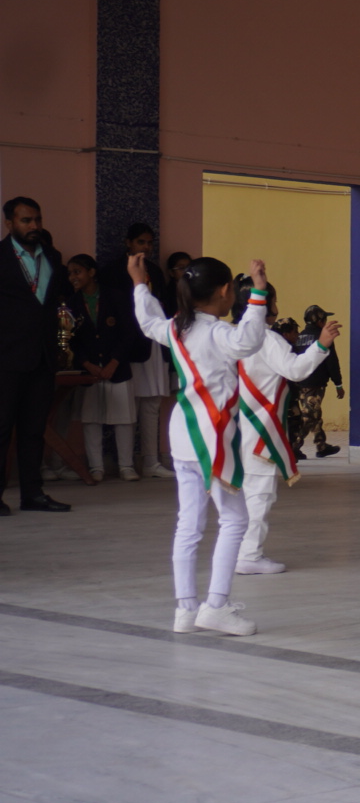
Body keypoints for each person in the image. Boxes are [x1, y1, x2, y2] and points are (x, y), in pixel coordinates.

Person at [130, 253, 270, 636]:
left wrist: (140, 285)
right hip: (213, 437)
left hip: (182, 433)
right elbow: (248, 340)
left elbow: (148, 322)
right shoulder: (216, 333)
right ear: (225, 291)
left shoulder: (176, 328)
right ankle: (217, 606)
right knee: (235, 519)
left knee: (188, 524)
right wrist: (259, 293)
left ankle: (185, 609)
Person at [230, 278, 342, 575]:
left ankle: (234, 550)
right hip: (260, 427)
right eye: (274, 301)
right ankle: (249, 555)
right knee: (260, 492)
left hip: (232, 426)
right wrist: (322, 344)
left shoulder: (230, 335)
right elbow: (295, 369)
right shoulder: (267, 339)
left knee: (237, 493)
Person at [0, 197, 75, 514]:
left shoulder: (53, 256)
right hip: (6, 358)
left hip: (42, 357)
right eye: (26, 220)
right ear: (9, 223)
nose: (34, 226)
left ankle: (32, 494)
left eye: (37, 220)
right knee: (2, 428)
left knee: (34, 430)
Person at [65, 255, 144, 481]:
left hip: (117, 367)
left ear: (91, 272)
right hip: (89, 370)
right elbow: (72, 341)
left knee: (124, 418)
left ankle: (126, 466)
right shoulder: (71, 303)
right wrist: (87, 364)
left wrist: (114, 362)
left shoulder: (115, 296)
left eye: (77, 272)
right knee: (91, 419)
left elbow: (129, 333)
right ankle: (96, 467)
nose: (73, 277)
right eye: (70, 273)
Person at [131, 250, 192, 478]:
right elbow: (150, 321)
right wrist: (138, 284)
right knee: (129, 409)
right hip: (137, 348)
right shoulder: (163, 300)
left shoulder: (171, 290)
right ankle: (129, 462)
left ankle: (152, 460)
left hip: (162, 350)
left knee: (153, 405)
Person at [288, 305, 345, 459]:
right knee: (309, 416)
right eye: (324, 319)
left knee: (314, 413)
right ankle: (293, 447)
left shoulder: (298, 336)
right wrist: (338, 384)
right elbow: (332, 362)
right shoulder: (323, 338)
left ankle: (321, 445)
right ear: (320, 321)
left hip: (298, 383)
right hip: (315, 384)